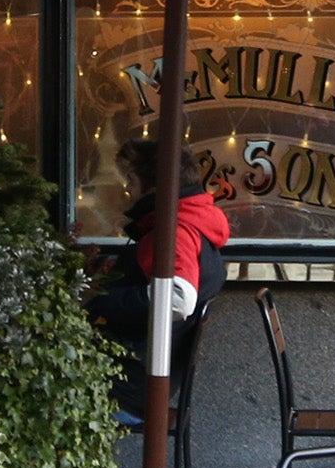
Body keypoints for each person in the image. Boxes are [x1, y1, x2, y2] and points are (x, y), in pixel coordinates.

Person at [87, 137, 229, 374]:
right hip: (150, 365)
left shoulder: (174, 231)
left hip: (133, 375)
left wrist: (98, 300)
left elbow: (178, 299)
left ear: (155, 186)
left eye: (131, 180)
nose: (128, 190)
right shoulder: (191, 221)